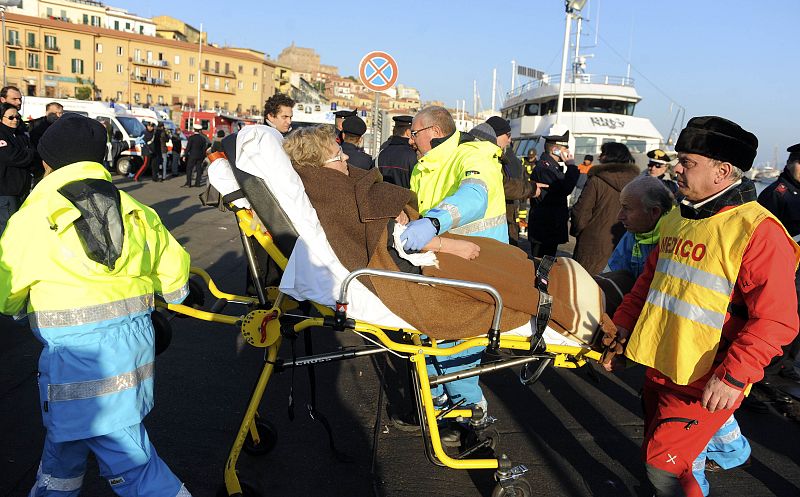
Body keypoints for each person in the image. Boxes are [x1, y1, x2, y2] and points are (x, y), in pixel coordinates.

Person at [602, 116, 799, 497]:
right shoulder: (679, 215)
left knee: (664, 468)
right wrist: (622, 327)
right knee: (666, 460)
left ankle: (723, 441)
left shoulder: (758, 230)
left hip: (708, 377)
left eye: (687, 162)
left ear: (723, 171)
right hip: (662, 364)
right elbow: (651, 281)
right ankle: (725, 444)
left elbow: (776, 319)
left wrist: (734, 376)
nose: (676, 168)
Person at [0, 113, 192, 496]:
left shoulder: (32, 217)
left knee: (134, 465)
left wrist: (22, 307)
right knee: (64, 452)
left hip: (76, 358)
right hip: (133, 346)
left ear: (46, 161)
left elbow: (8, 294)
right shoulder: (138, 211)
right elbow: (174, 276)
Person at [401, 106, 507, 437]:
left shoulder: (471, 154)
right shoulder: (427, 165)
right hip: (443, 265)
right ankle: (438, 411)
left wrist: (434, 222)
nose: (409, 139)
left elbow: (474, 195)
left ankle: (474, 422)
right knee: (430, 341)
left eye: (413, 133)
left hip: (477, 266)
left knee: (457, 353)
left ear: (432, 131)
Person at [758, 142, 800, 383]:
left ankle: (786, 364)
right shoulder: (776, 193)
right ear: (790, 163)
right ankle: (766, 374)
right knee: (781, 322)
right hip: (786, 272)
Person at [472, 118, 545, 246]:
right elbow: (502, 185)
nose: (510, 140)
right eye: (508, 135)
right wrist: (531, 188)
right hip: (488, 233)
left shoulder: (489, 155)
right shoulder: (484, 156)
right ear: (496, 134)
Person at [570, 142, 640, 274]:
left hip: (593, 244)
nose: (599, 157)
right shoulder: (637, 182)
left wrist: (579, 233)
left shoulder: (596, 180)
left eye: (603, 153)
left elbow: (580, 213)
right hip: (625, 244)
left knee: (585, 286)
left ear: (609, 157)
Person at [604, 175, 674, 276]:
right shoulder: (635, 232)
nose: (620, 216)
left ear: (654, 212)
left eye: (627, 208)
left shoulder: (675, 237)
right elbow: (612, 272)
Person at [528, 127, 579, 258]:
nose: (567, 152)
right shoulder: (545, 169)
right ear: (555, 150)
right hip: (545, 228)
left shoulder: (552, 167)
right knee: (540, 264)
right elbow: (563, 189)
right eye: (564, 148)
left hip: (549, 227)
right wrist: (572, 166)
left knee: (546, 262)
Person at [0, 102, 34, 236]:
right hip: (6, 192)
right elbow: (11, 156)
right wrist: (29, 154)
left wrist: (28, 154)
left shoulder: (20, 135)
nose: (15, 120)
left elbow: (31, 154)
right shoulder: (2, 134)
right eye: (11, 117)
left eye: (17, 117)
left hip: (21, 191)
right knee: (6, 230)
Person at [377, 115, 417, 188]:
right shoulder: (414, 155)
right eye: (414, 133)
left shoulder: (381, 154)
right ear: (408, 132)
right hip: (407, 199)